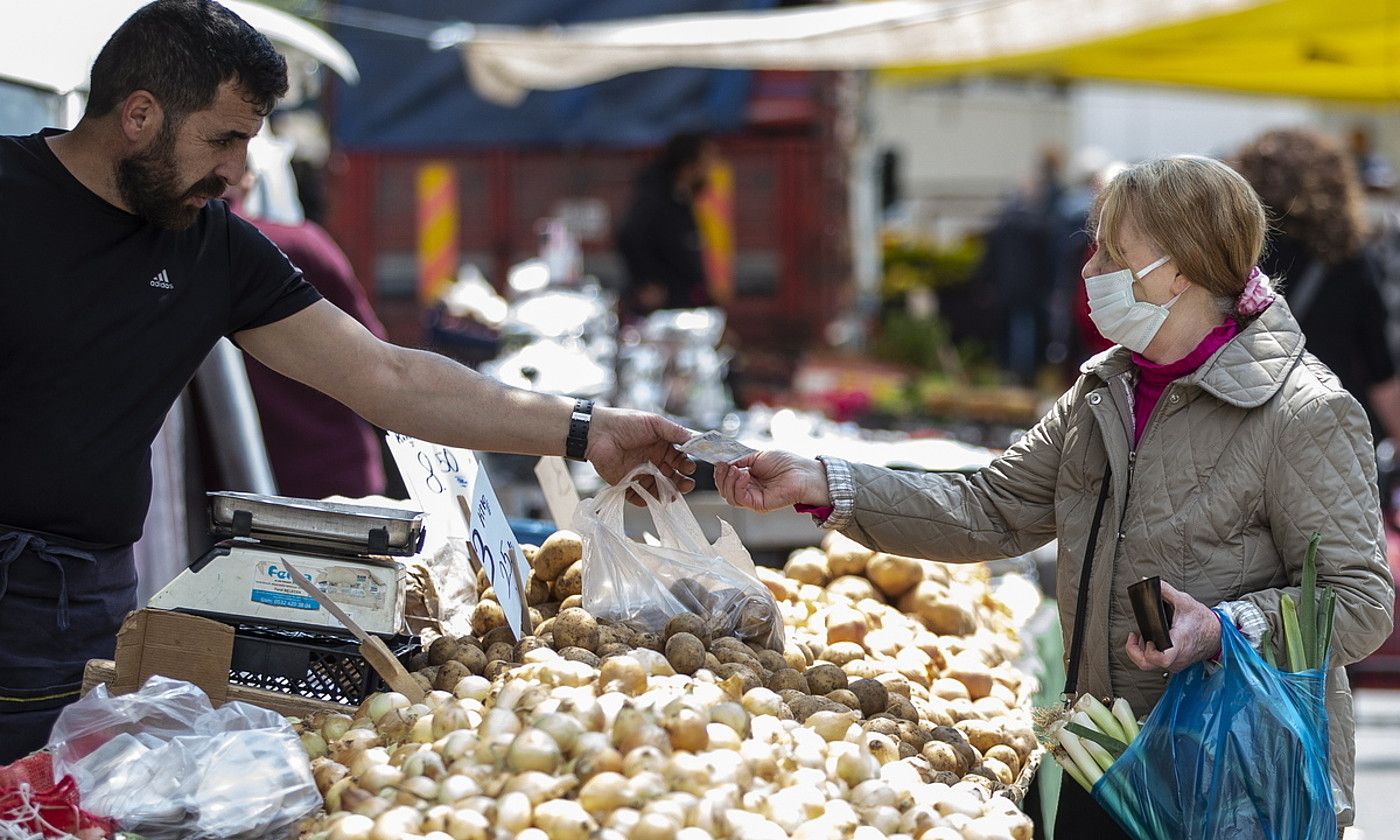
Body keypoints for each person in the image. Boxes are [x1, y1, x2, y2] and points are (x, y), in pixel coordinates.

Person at [0, 0, 693, 762]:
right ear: (138, 115)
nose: (236, 173)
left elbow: (387, 375)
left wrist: (586, 429)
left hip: (76, 608)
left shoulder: (214, 248)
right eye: (223, 139)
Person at [714, 155, 1394, 835]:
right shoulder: (1103, 392)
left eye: (1112, 250)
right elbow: (990, 508)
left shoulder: (1302, 412)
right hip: (1102, 760)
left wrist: (1224, 629)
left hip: (1234, 784)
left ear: (1180, 270)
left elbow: (1362, 603)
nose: (1090, 269)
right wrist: (828, 482)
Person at [230, 132, 388, 500]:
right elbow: (378, 357)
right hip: (334, 481)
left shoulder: (174, 255)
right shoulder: (303, 245)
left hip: (233, 489)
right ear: (251, 179)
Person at [1234, 128, 1400, 452]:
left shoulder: (1238, 254)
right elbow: (1381, 369)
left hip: (1246, 425)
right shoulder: (1350, 257)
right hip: (1331, 429)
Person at [616, 132, 717, 318]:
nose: (710, 169)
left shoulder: (681, 201)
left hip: (684, 306)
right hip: (662, 314)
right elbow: (628, 236)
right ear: (688, 166)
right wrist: (646, 281)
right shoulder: (655, 199)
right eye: (706, 162)